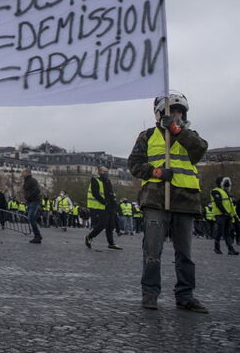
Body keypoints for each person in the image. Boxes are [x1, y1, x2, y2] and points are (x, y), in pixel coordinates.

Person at [128, 92, 209, 312]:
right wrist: (155, 172)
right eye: (172, 111)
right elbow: (134, 164)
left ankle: (185, 295)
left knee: (185, 254)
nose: (177, 115)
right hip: (156, 199)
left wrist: (178, 131)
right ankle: (150, 293)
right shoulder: (147, 136)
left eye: (180, 111)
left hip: (185, 201)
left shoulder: (190, 135)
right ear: (160, 113)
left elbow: (200, 150)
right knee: (152, 251)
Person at [84, 167, 122, 250]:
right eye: (104, 171)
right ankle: (89, 237)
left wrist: (114, 205)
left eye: (107, 172)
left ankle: (111, 244)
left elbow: (111, 193)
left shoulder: (107, 181)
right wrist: (105, 202)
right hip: (100, 206)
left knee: (111, 225)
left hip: (109, 206)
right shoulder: (95, 180)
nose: (106, 173)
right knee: (102, 224)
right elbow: (95, 193)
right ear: (99, 172)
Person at [210, 177, 238, 255]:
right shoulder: (215, 191)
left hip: (227, 215)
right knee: (219, 232)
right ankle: (217, 248)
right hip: (220, 215)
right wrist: (225, 212)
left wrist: (232, 214)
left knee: (227, 232)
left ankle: (230, 249)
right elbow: (218, 203)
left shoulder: (225, 191)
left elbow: (230, 204)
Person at [21, 168, 43, 244]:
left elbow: (37, 190)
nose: (22, 174)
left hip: (34, 200)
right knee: (31, 218)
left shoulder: (32, 180)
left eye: (23, 172)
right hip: (30, 201)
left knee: (31, 218)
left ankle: (37, 235)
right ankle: (37, 236)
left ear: (27, 173)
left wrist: (29, 196)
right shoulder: (26, 181)